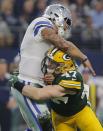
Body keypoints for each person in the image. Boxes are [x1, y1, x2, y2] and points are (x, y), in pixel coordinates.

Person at [11, 4, 95, 131]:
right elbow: (59, 41)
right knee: (44, 126)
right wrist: (82, 58)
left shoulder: (53, 42)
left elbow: (65, 45)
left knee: (41, 127)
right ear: (57, 16)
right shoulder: (41, 22)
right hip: (27, 83)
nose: (66, 28)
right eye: (66, 22)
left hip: (38, 85)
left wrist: (83, 58)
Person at [11, 48, 103, 131]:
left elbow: (38, 94)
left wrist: (16, 83)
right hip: (60, 117)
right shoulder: (50, 74)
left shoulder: (73, 78)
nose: (48, 64)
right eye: (49, 61)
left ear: (63, 66)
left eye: (53, 63)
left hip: (80, 112)